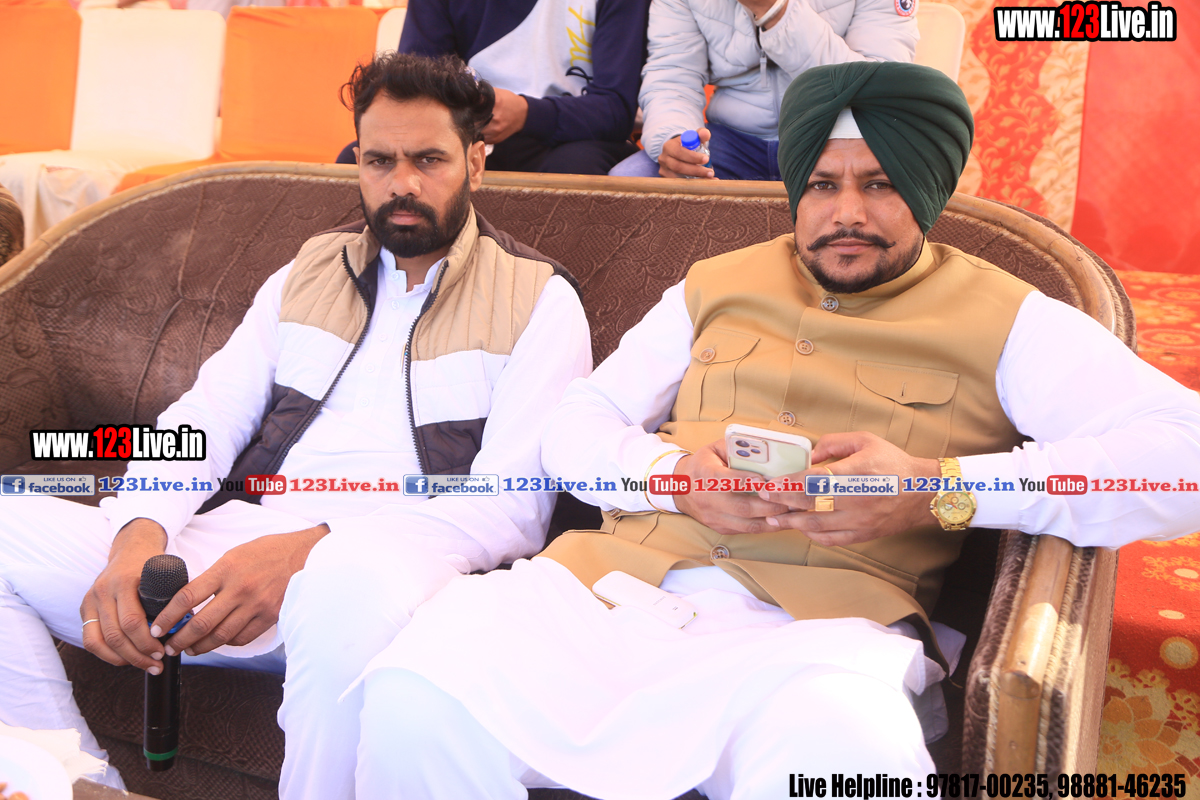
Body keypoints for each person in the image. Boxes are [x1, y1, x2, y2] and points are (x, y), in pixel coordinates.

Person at [347, 62, 1200, 798]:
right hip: (603, 596)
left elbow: (1180, 460)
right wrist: (668, 477)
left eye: (880, 184)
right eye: (822, 185)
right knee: (418, 692)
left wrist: (937, 492)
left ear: (928, 189)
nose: (846, 212)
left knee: (846, 751)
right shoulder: (713, 283)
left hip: (817, 644)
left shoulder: (1011, 317)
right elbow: (577, 422)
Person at [0, 53, 591, 796]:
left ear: (475, 160)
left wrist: (313, 550)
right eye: (379, 160)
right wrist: (139, 529)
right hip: (234, 562)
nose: (402, 183)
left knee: (342, 581)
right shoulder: (307, 273)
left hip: (396, 576)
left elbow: (511, 507)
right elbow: (205, 419)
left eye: (428, 159)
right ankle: (77, 782)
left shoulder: (538, 300)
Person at [610, 0, 917, 180]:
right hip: (730, 141)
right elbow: (673, 74)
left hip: (838, 139)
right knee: (630, 184)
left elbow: (879, 89)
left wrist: (774, 10)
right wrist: (674, 137)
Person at [336, 0, 650, 175]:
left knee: (574, 169)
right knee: (361, 161)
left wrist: (526, 114)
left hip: (571, 140)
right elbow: (415, 90)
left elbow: (616, 108)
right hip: (468, 134)